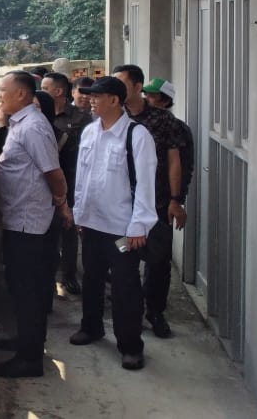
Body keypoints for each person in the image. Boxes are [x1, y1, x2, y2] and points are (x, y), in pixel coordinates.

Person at [70, 76, 158, 370]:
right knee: (92, 279)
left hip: (122, 229)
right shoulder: (90, 132)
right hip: (93, 224)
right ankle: (91, 327)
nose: (91, 100)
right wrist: (79, 214)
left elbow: (146, 184)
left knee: (125, 286)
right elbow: (82, 178)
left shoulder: (136, 135)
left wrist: (138, 227)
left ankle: (130, 346)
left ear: (115, 101)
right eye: (90, 96)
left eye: (98, 96)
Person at [0, 71, 71, 378]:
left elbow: (53, 173)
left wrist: (61, 202)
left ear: (22, 94)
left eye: (2, 90)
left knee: (28, 290)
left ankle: (30, 358)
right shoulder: (20, 124)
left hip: (30, 223)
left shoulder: (34, 127)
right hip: (19, 218)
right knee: (21, 287)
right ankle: (27, 341)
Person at [112, 65, 187, 338]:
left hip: (156, 205)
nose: (117, 89)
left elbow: (174, 161)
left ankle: (155, 311)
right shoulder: (112, 118)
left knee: (157, 262)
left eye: (122, 83)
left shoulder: (162, 120)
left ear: (137, 86)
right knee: (122, 257)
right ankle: (127, 310)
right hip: (120, 207)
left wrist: (176, 200)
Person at [42, 72, 89, 295]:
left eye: (45, 87)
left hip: (72, 180)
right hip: (45, 182)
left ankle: (69, 276)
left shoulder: (81, 118)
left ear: (58, 91)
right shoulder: (41, 116)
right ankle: (50, 278)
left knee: (69, 230)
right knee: (48, 232)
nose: (40, 92)